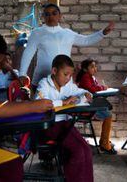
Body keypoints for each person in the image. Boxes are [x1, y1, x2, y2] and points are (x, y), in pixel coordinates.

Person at [19, 3, 115, 89]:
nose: (51, 16)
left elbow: (86, 40)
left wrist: (102, 33)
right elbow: (28, 53)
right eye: (47, 14)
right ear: (43, 17)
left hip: (64, 82)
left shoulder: (67, 33)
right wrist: (22, 74)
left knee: (64, 107)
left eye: (54, 13)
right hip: (42, 79)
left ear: (60, 16)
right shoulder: (37, 33)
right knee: (42, 108)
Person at [35, 54, 93, 182]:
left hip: (65, 124)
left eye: (70, 75)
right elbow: (38, 103)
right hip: (49, 126)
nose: (68, 79)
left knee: (86, 150)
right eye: (65, 74)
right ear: (54, 71)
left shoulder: (68, 85)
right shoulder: (44, 84)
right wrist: (63, 102)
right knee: (78, 151)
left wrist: (85, 93)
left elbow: (78, 90)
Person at [76, 59, 116, 154]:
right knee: (108, 116)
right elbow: (92, 89)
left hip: (90, 103)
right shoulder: (85, 77)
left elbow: (96, 86)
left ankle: (104, 141)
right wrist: (103, 88)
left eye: (95, 66)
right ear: (85, 69)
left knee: (108, 113)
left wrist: (102, 87)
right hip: (86, 106)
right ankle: (105, 144)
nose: (95, 68)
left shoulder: (91, 77)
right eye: (92, 67)